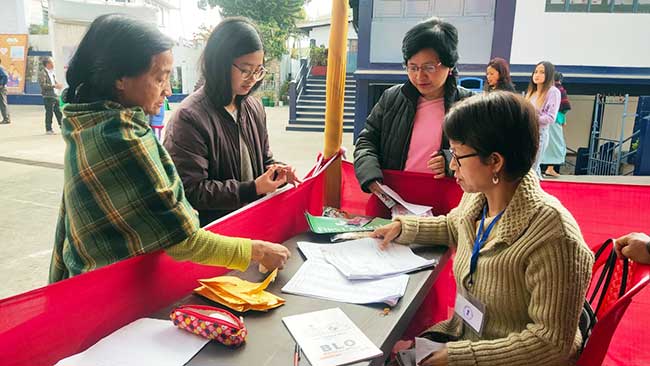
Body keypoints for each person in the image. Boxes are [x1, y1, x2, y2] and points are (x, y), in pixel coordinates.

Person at [49, 14, 290, 283]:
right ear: (120, 79)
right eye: (160, 78)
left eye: (258, 70)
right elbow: (183, 238)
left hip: (95, 275)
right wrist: (255, 251)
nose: (168, 91)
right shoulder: (123, 137)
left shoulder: (89, 121)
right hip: (109, 284)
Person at [373, 92, 594, 365]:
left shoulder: (554, 237)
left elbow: (551, 343)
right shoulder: (480, 197)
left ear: (495, 161)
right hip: (464, 337)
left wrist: (460, 357)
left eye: (458, 154)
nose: (452, 164)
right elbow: (456, 226)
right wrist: (402, 227)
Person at [164, 18, 300, 227]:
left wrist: (277, 171)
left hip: (252, 225)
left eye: (259, 70)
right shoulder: (189, 117)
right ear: (219, 63)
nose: (253, 78)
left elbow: (264, 159)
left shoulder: (253, 108)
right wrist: (251, 189)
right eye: (245, 70)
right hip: (216, 236)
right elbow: (191, 191)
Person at [354, 17, 473, 196]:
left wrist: (450, 159)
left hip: (445, 202)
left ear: (450, 65)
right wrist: (370, 175)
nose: (419, 76)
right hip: (393, 197)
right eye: (413, 67)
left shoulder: (469, 105)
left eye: (429, 67)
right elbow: (366, 141)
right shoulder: (392, 98)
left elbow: (483, 154)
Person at [525, 61, 560, 178]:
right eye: (535, 72)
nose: (537, 75)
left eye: (542, 72)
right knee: (529, 168)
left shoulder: (553, 92)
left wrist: (532, 118)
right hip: (527, 134)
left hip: (539, 135)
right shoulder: (532, 92)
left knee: (531, 170)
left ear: (549, 75)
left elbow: (550, 117)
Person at [541, 71, 571, 177]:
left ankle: (545, 168)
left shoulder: (545, 90)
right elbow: (564, 107)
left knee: (545, 143)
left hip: (545, 118)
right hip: (555, 119)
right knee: (556, 143)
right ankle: (549, 168)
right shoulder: (559, 90)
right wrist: (563, 119)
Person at [38, 57, 64, 134]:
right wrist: (54, 86)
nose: (53, 64)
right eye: (52, 62)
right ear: (48, 64)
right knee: (49, 113)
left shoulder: (51, 72)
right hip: (48, 96)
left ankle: (62, 126)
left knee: (58, 112)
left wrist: (58, 85)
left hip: (54, 95)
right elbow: (43, 85)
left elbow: (54, 82)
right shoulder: (42, 73)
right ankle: (48, 129)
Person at [0, 58, 10, 124]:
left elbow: (5, 76)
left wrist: (1, 84)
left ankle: (6, 118)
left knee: (3, 103)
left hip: (1, 89)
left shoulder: (0, 68)